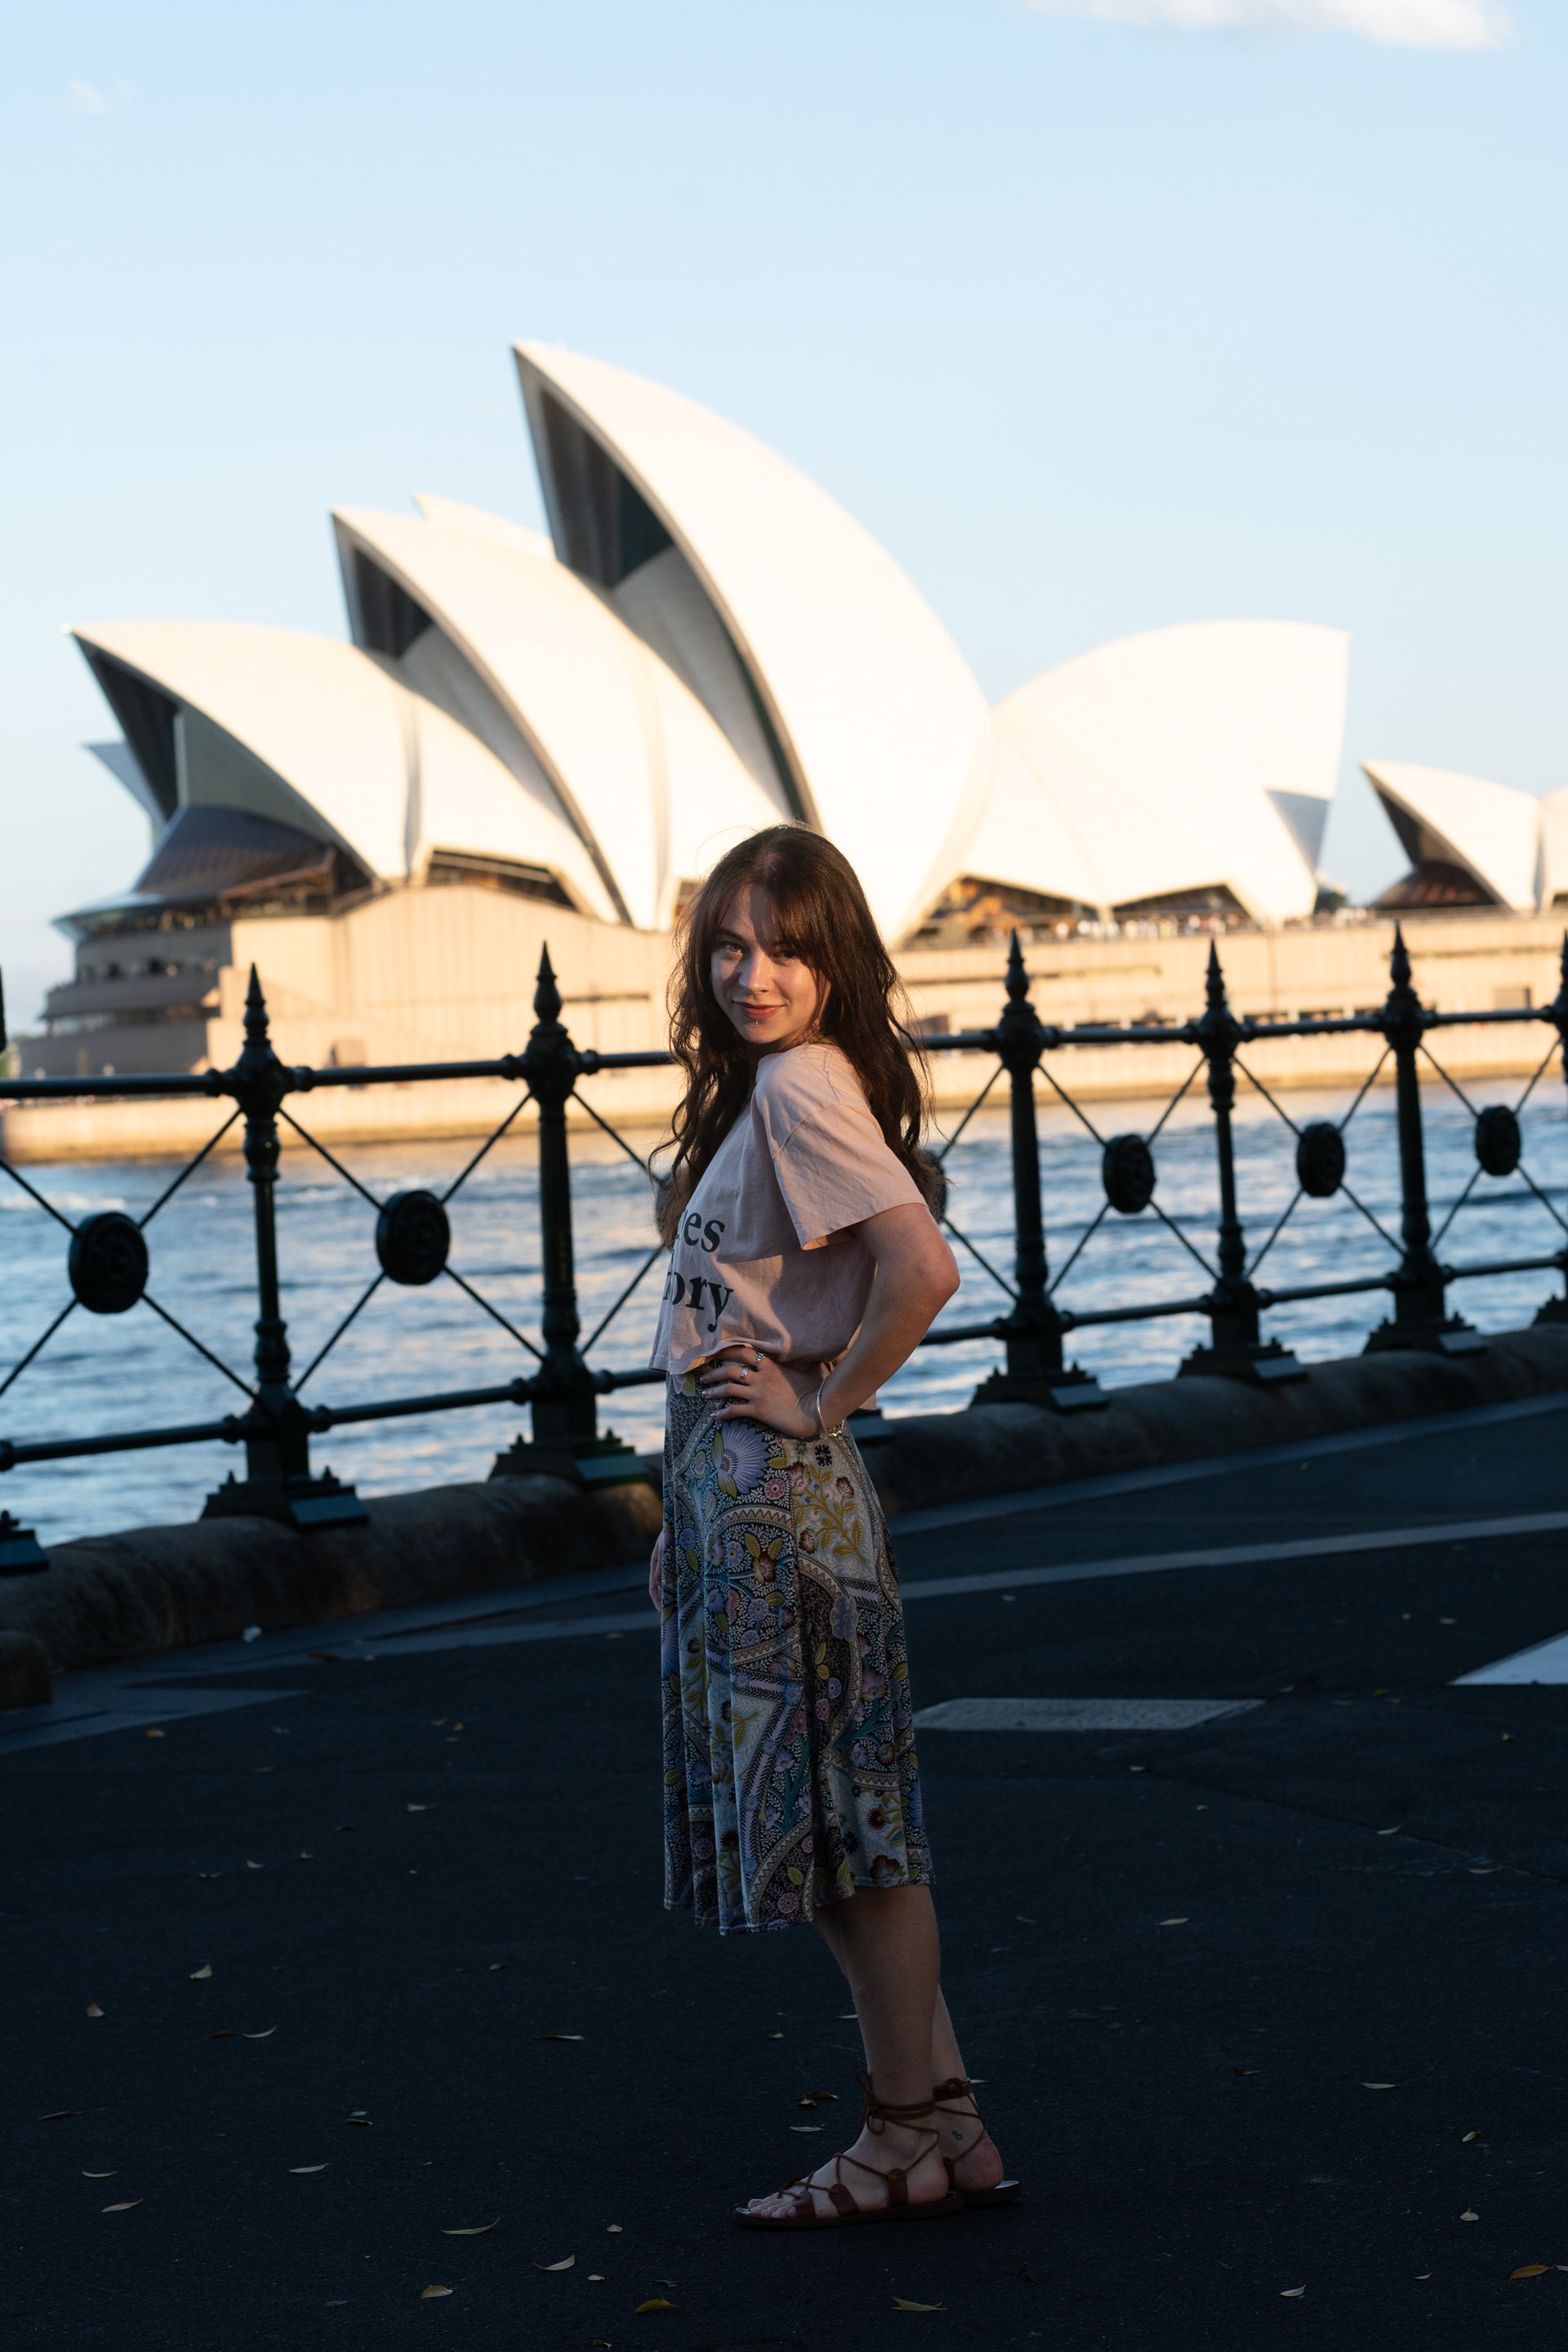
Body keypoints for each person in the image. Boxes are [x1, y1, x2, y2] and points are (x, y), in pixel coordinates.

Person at [647, 824, 1019, 2230]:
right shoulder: (782, 1084)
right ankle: (946, 2122)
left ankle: (899, 2132)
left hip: (783, 1504)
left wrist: (821, 1400)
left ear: (833, 960)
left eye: (787, 950)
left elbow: (922, 1270)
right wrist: (685, 1512)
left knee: (848, 1842)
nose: (754, 975)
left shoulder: (802, 1083)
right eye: (731, 947)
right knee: (842, 1837)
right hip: (743, 1497)